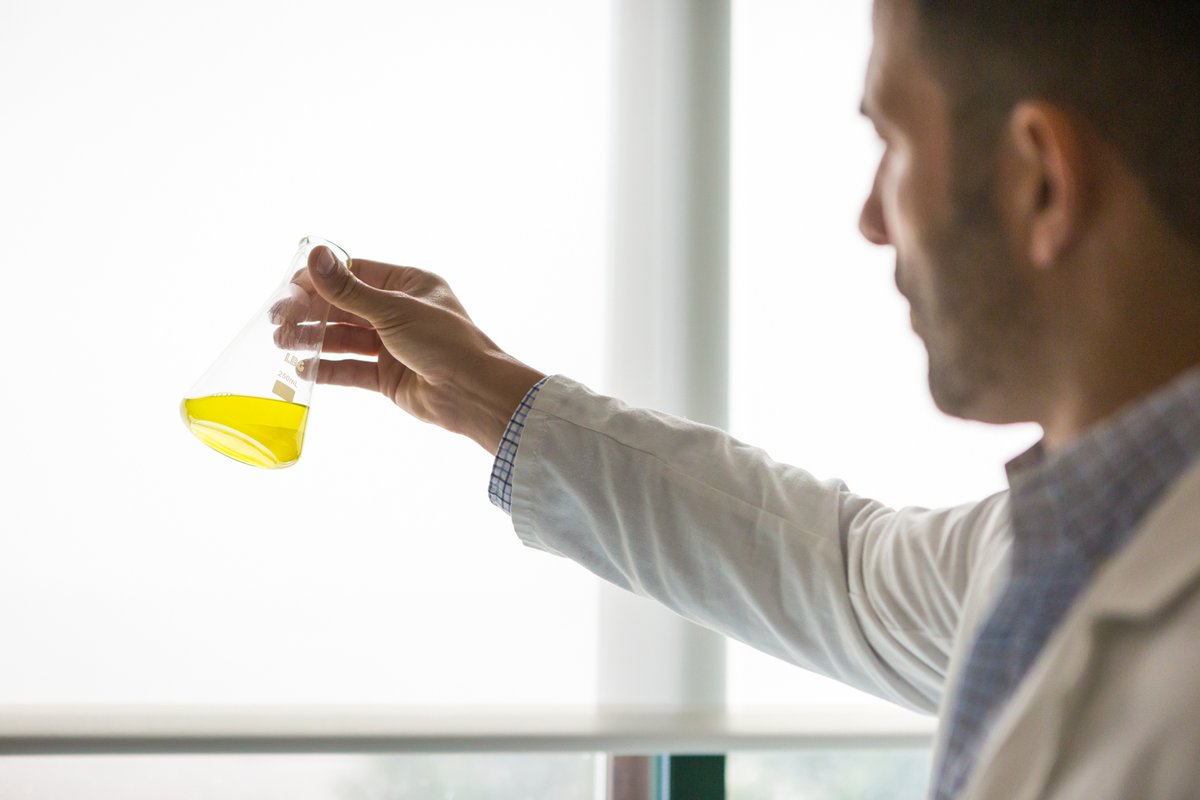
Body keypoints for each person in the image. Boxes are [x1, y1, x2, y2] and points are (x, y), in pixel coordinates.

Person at [274, 0, 1200, 796]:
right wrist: (486, 391)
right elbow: (835, 571)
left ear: (1041, 179)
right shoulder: (1062, 543)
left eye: (895, 139)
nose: (873, 218)